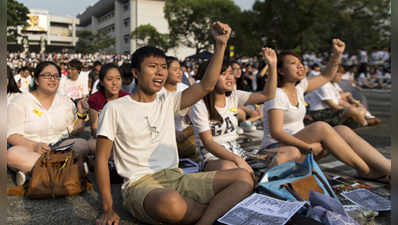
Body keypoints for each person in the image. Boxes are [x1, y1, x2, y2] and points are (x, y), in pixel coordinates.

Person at [95, 22, 254, 225]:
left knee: (243, 178)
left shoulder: (168, 101)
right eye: (152, 67)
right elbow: (101, 160)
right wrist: (108, 209)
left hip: (177, 178)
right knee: (171, 203)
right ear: (135, 72)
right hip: (140, 185)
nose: (160, 72)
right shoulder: (115, 108)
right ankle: (217, 211)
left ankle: (204, 219)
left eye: (163, 67)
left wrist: (221, 45)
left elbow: (206, 85)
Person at [262, 39, 390, 183]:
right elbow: (276, 133)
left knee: (342, 130)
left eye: (300, 63)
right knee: (321, 127)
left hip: (301, 146)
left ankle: (388, 167)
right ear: (280, 70)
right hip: (277, 150)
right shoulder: (277, 94)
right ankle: (365, 171)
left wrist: (337, 54)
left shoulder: (299, 88)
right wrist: (308, 147)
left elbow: (326, 76)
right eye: (293, 63)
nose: (300, 66)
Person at [190, 47, 301, 173]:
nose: (229, 78)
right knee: (229, 167)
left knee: (292, 152)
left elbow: (267, 95)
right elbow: (209, 143)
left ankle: (262, 181)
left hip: (238, 152)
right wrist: (238, 161)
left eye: (231, 73)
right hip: (212, 157)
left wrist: (272, 65)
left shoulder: (234, 95)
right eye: (223, 74)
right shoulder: (199, 103)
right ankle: (254, 179)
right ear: (209, 77)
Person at [7, 61, 92, 186]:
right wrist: (34, 146)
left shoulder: (66, 102)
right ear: (36, 80)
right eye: (47, 75)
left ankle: (37, 174)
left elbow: (75, 131)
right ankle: (69, 172)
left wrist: (81, 114)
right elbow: (12, 135)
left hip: (59, 147)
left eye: (56, 76)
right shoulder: (20, 102)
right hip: (31, 149)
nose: (52, 79)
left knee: (82, 145)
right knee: (12, 154)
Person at [158, 56, 197, 159]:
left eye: (180, 69)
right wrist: (174, 132)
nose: (179, 72)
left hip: (186, 133)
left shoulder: (184, 88)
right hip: (168, 137)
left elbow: (192, 116)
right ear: (165, 71)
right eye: (175, 70)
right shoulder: (158, 93)